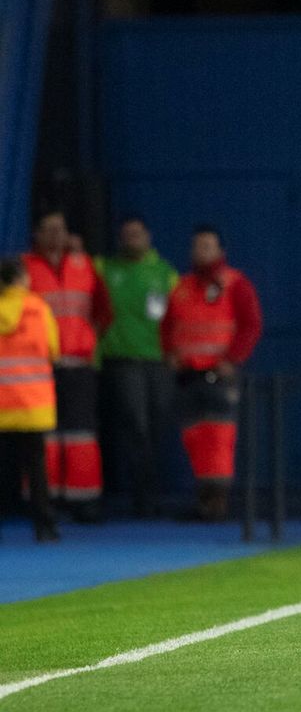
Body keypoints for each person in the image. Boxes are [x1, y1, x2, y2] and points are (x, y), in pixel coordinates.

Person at [160, 226, 263, 523]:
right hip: (188, 373)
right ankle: (204, 498)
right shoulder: (180, 286)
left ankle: (217, 502)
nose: (200, 252)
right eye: (196, 246)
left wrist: (233, 359)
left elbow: (251, 325)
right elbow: (167, 327)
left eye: (207, 246)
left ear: (221, 252)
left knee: (218, 438)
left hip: (219, 374)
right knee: (194, 438)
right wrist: (170, 354)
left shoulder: (235, 284)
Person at [22, 211, 112, 523]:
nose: (56, 235)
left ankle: (83, 500)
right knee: (42, 436)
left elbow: (104, 310)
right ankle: (44, 499)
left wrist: (88, 340)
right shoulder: (25, 268)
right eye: (49, 230)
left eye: (61, 229)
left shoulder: (84, 265)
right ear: (37, 234)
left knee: (81, 434)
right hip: (38, 367)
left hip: (78, 363)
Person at [95, 216, 179, 517]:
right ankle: (143, 498)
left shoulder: (165, 273)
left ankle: (151, 492)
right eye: (126, 234)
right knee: (136, 426)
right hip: (122, 359)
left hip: (157, 360)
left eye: (137, 234)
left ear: (148, 236)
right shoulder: (105, 268)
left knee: (156, 428)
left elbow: (179, 316)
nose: (132, 239)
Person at [0, 256, 61, 542]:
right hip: (33, 405)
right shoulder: (38, 308)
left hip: (2, 406)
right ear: (21, 278)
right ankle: (45, 527)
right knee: (36, 470)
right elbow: (53, 349)